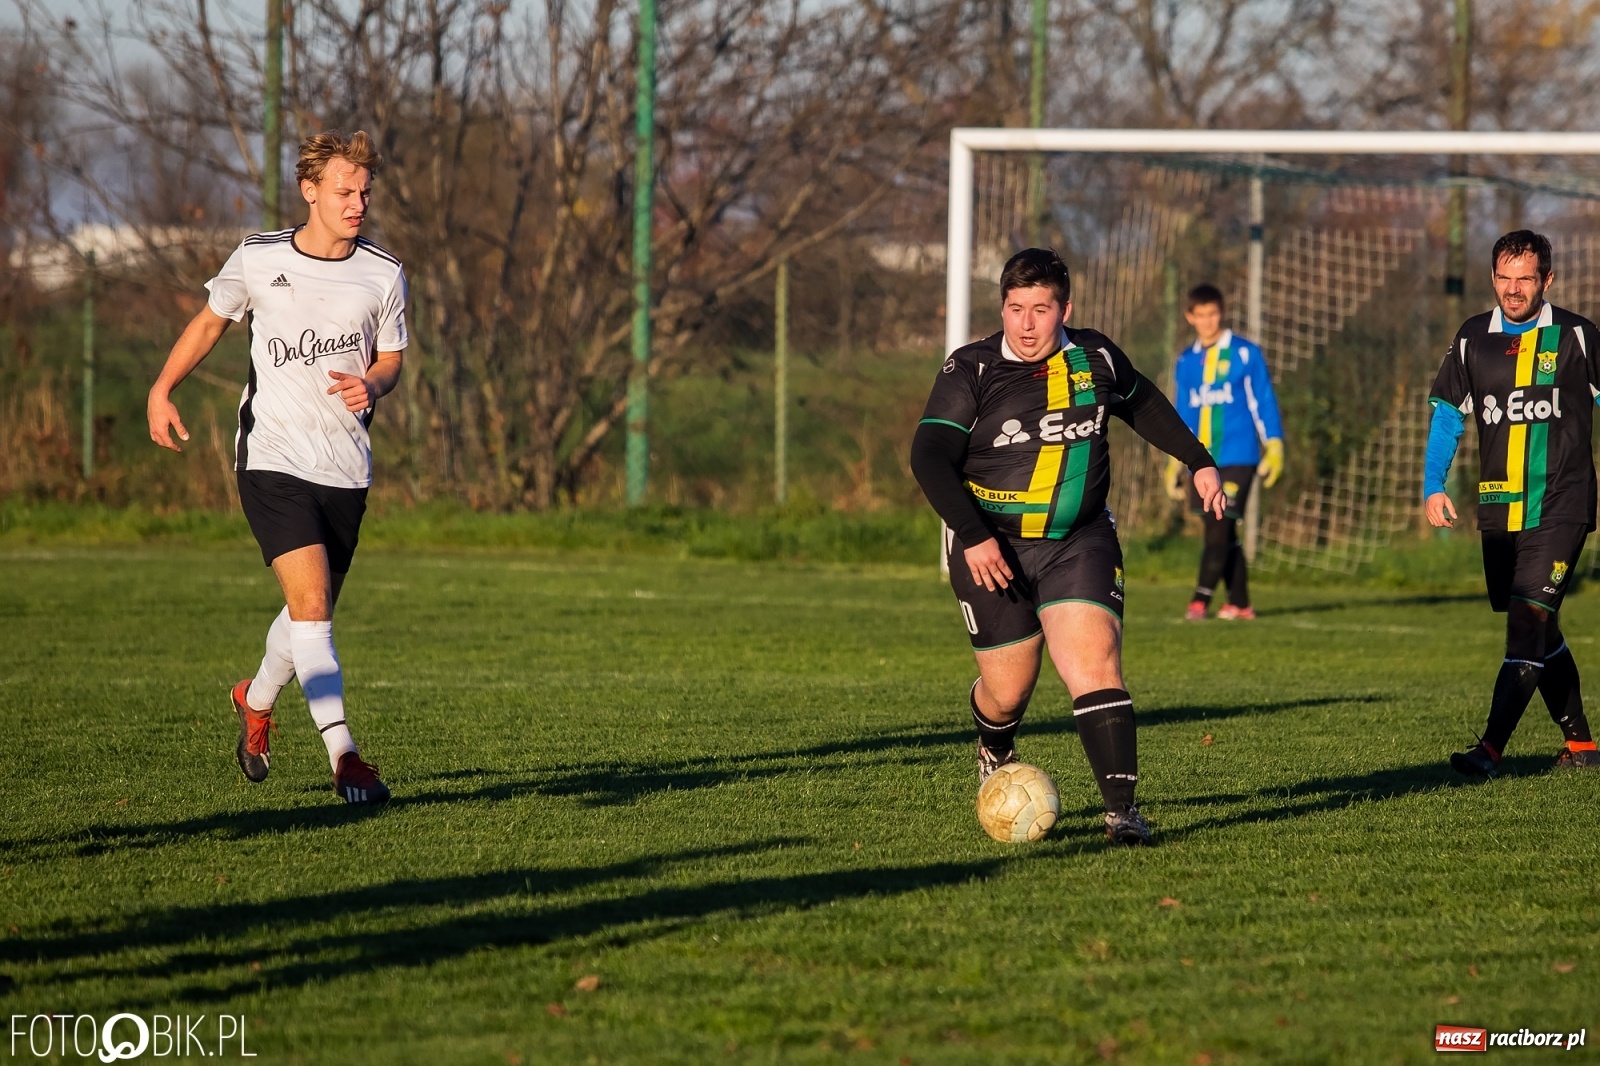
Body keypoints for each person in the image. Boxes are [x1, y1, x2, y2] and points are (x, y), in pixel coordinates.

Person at [910, 248, 1224, 845]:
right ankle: (994, 745)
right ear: (1002, 307)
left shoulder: (1096, 356)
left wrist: (1198, 462)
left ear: (1065, 309)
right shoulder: (970, 370)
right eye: (1015, 308)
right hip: (990, 544)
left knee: (1093, 663)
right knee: (1007, 692)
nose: (1026, 325)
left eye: (1041, 309)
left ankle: (1122, 813)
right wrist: (974, 536)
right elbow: (927, 456)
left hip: (1078, 541)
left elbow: (1145, 404)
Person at [146, 130, 408, 804]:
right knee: (313, 606)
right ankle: (345, 758)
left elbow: (391, 359)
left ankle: (255, 700)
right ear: (310, 190)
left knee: (306, 620)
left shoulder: (383, 272)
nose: (358, 203)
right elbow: (209, 323)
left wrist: (374, 386)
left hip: (346, 466)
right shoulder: (258, 258)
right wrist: (161, 388)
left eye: (365, 192)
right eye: (345, 191)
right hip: (272, 458)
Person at [1425, 229, 1600, 777]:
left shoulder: (1578, 336)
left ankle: (1489, 751)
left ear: (1547, 279)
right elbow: (1448, 415)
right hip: (1501, 509)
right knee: (1538, 627)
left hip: (1563, 502)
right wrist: (1434, 484)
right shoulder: (1473, 337)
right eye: (1504, 277)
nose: (1514, 289)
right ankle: (1583, 749)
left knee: (1527, 620)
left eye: (1525, 278)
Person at [1164, 284, 1284, 621]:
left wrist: (1274, 444)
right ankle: (1241, 603)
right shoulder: (1186, 361)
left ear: (1222, 312)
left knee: (1219, 524)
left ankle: (1199, 600)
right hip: (1202, 461)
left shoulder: (1245, 354)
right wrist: (1174, 461)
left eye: (1212, 314)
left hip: (1239, 455)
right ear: (1190, 317)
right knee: (1222, 530)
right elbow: (1183, 413)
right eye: (1200, 315)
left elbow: (1263, 400)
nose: (1207, 321)